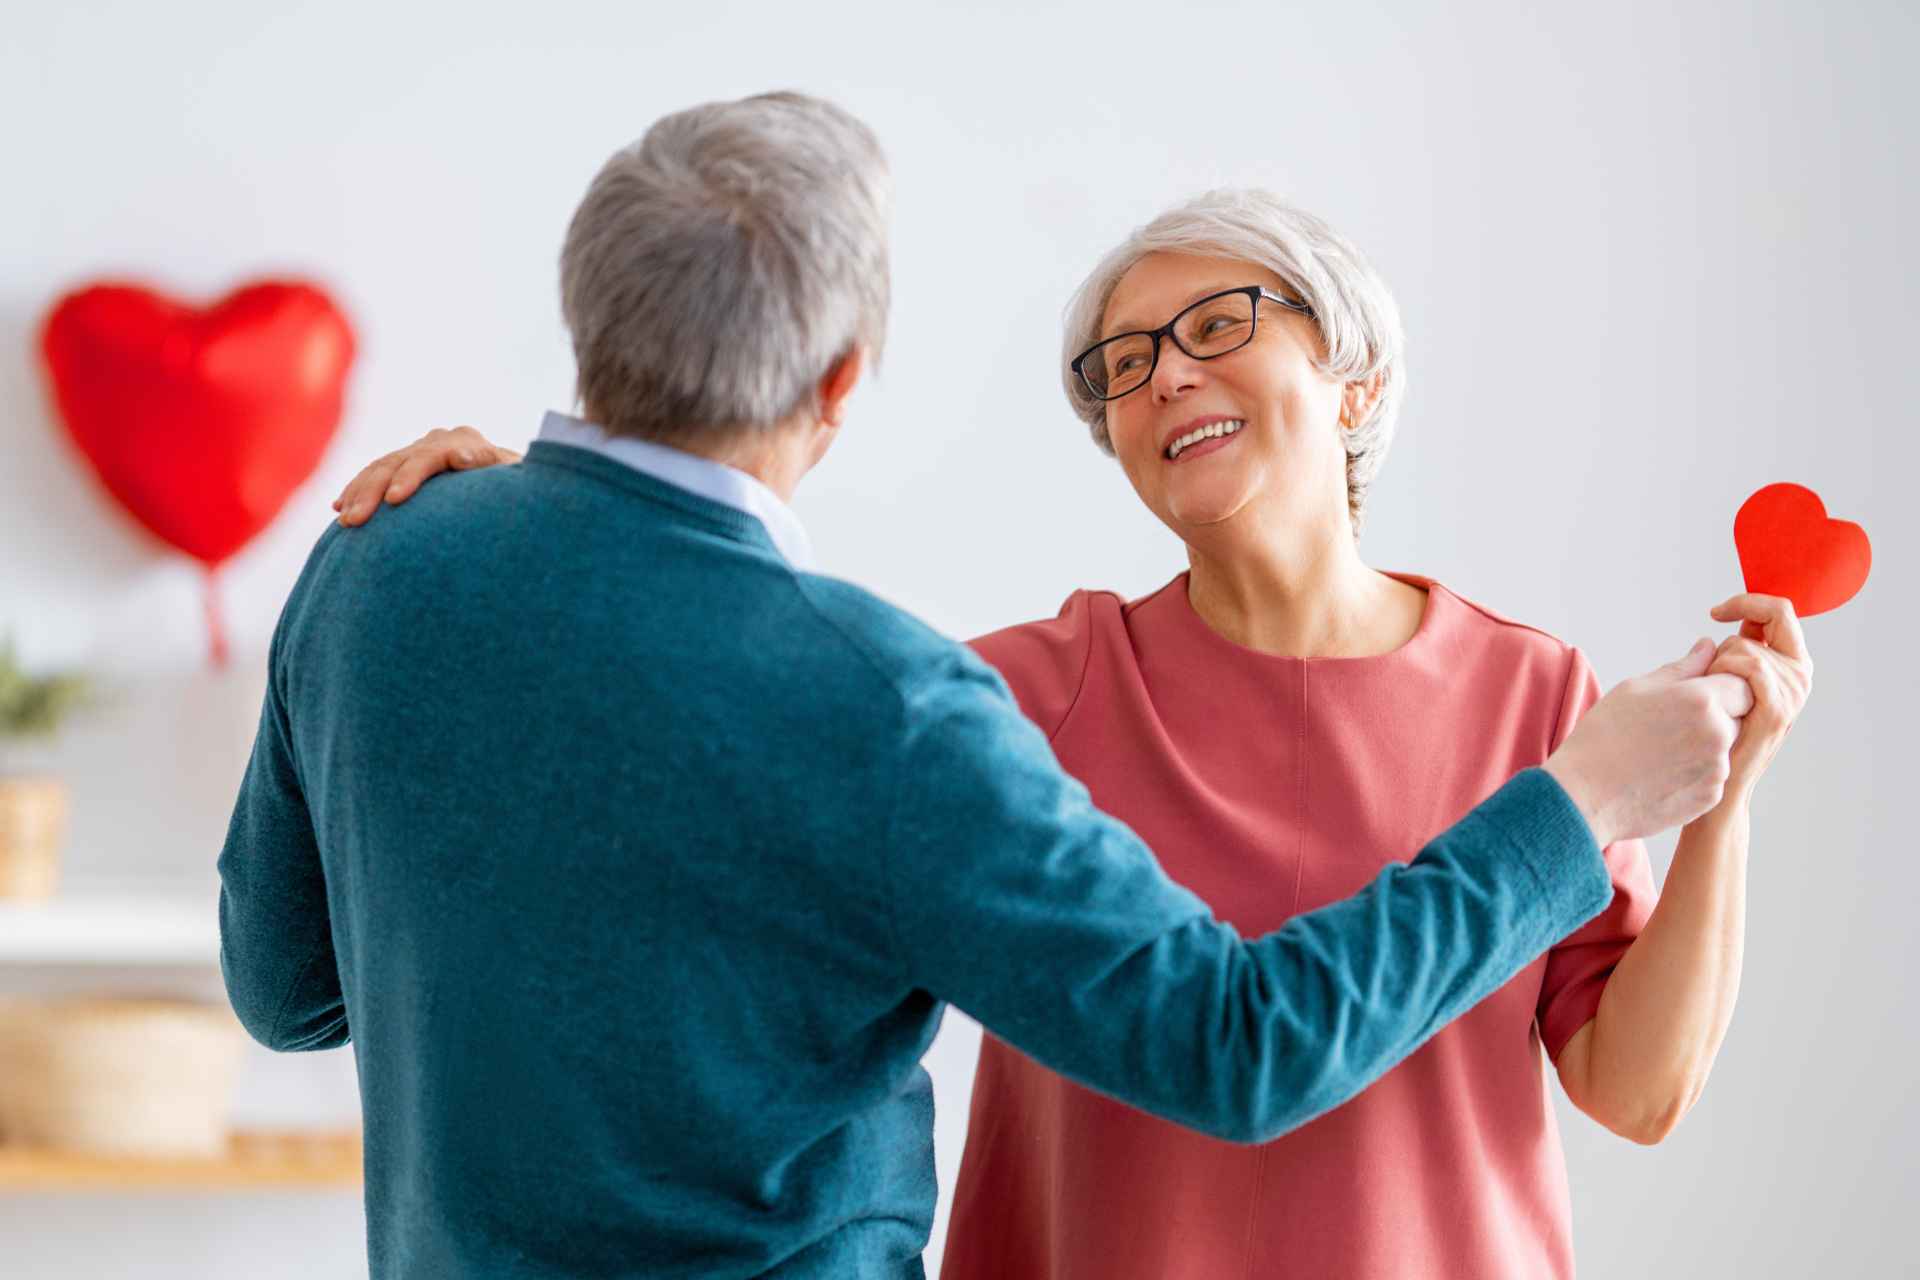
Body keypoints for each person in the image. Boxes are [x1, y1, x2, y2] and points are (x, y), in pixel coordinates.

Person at [235, 93, 1752, 1280]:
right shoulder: (916, 699)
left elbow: (289, 993)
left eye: (1221, 326)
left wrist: (526, 554)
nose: (1166, 376)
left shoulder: (376, 558)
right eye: (1122, 361)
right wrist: (1582, 809)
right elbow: (1238, 1046)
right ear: (845, 379)